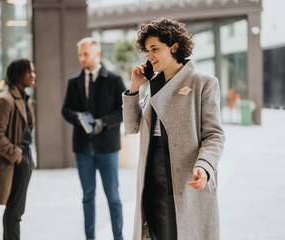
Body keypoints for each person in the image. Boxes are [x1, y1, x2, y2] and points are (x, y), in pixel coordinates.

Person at [122, 18, 225, 240]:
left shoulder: (203, 82)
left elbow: (215, 134)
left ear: (174, 47)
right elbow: (132, 127)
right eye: (147, 50)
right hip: (152, 181)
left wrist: (204, 164)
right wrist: (134, 88)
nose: (149, 55)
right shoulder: (153, 85)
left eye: (155, 49)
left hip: (183, 179)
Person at [62, 37, 126, 240]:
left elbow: (123, 111)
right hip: (83, 148)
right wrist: (78, 118)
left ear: (97, 53)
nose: (82, 58)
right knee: (87, 197)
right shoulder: (74, 82)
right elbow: (65, 110)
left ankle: (119, 237)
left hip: (107, 147)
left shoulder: (114, 80)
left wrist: (103, 122)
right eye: (80, 54)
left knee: (113, 197)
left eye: (85, 54)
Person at [0, 58, 36, 240]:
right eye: (29, 72)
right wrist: (17, 156)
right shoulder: (5, 100)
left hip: (25, 158)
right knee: (14, 211)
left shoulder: (23, 98)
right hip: (15, 161)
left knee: (16, 210)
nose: (33, 75)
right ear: (17, 75)